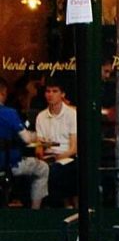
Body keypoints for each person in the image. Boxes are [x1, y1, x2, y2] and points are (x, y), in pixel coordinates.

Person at [0, 78, 49, 208]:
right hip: (9, 165)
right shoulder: (9, 113)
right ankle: (34, 212)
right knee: (43, 168)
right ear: (3, 92)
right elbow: (26, 139)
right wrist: (36, 136)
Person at [35, 79, 78, 209]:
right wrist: (40, 154)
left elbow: (74, 148)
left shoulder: (71, 114)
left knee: (58, 172)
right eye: (48, 91)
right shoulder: (41, 116)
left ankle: (66, 207)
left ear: (62, 94)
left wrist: (57, 158)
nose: (50, 94)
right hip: (48, 158)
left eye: (55, 91)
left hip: (68, 157)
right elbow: (39, 145)